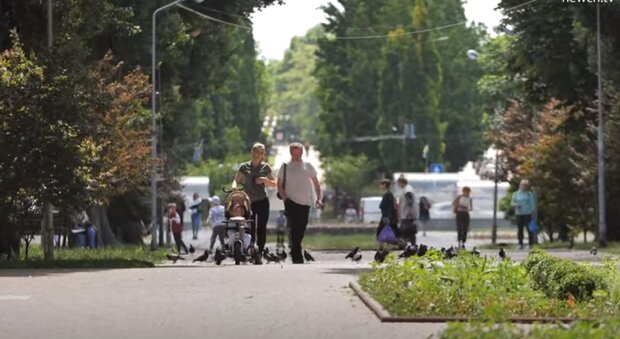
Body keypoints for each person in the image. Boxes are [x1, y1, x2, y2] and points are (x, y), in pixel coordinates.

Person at [277, 142, 322, 264]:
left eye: (299, 153)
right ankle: (297, 256)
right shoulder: (285, 167)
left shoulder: (308, 166)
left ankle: (295, 250)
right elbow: (279, 185)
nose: (296, 155)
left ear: (302, 152)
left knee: (301, 229)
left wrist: (319, 198)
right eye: (294, 153)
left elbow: (316, 184)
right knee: (293, 228)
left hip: (305, 203)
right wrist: (285, 198)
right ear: (291, 153)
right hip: (290, 202)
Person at [232, 142, 277, 263]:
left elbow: (274, 183)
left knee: (261, 227)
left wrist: (264, 180)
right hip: (248, 201)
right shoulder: (244, 167)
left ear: (263, 154)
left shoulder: (265, 167)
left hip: (262, 200)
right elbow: (236, 181)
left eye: (261, 152)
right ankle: (250, 249)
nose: (259, 155)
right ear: (252, 152)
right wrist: (235, 188)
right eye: (257, 152)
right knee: (250, 226)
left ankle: (260, 252)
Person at [511, 179, 537, 249]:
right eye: (522, 185)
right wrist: (516, 205)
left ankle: (530, 244)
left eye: (525, 186)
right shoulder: (515, 194)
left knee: (529, 229)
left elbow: (532, 204)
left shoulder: (529, 194)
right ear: (520, 185)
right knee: (520, 229)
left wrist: (532, 212)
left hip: (527, 213)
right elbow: (512, 203)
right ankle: (520, 243)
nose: (523, 187)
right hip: (519, 214)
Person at [376, 179, 400, 249]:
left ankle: (383, 246)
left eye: (381, 185)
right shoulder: (387, 194)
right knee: (386, 231)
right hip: (386, 216)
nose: (380, 186)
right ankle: (385, 245)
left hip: (387, 216)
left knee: (381, 231)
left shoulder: (388, 195)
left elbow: (389, 207)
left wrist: (388, 217)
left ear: (385, 185)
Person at [395, 174, 417, 244]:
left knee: (405, 230)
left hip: (407, 214)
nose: (398, 184)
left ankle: (406, 244)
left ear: (402, 182)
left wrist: (409, 213)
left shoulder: (407, 190)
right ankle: (412, 244)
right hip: (406, 214)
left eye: (399, 182)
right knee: (409, 232)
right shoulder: (406, 189)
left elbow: (409, 201)